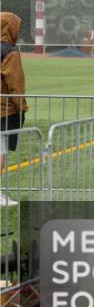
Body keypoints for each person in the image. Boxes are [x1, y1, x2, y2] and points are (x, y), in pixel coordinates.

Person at [1, 13, 28, 208]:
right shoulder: (10, 53)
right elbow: (15, 85)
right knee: (0, 150)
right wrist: (22, 108)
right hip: (3, 111)